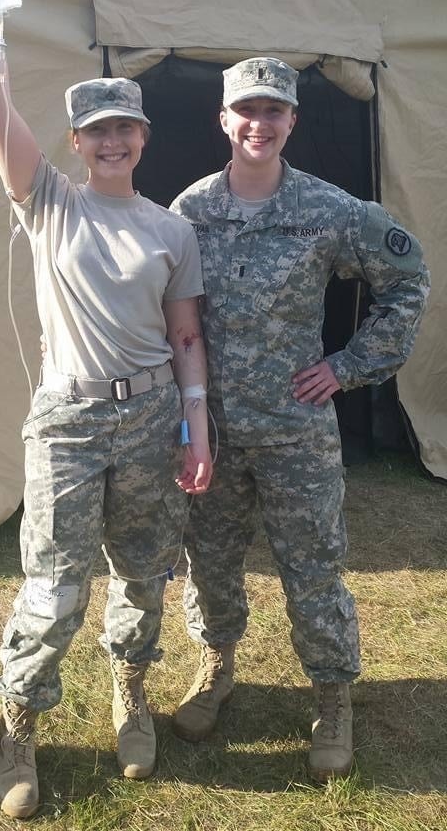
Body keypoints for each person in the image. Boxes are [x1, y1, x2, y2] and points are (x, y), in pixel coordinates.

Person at [0, 0, 212, 820]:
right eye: (96, 132)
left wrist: (196, 430)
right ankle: (19, 722)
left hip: (151, 419)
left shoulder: (170, 227)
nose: (112, 143)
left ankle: (130, 694)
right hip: (68, 419)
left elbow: (187, 337)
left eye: (125, 132)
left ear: (143, 139)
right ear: (76, 143)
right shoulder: (48, 203)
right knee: (55, 584)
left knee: (144, 575)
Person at [169, 56, 430, 780]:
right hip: (214, 433)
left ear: (293, 121)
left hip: (296, 435)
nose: (260, 124)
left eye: (274, 111)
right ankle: (216, 667)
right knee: (210, 564)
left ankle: (333, 697)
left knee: (313, 572)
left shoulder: (329, 211)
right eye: (247, 111)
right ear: (224, 121)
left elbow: (408, 280)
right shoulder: (190, 212)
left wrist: (347, 366)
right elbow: (170, 317)